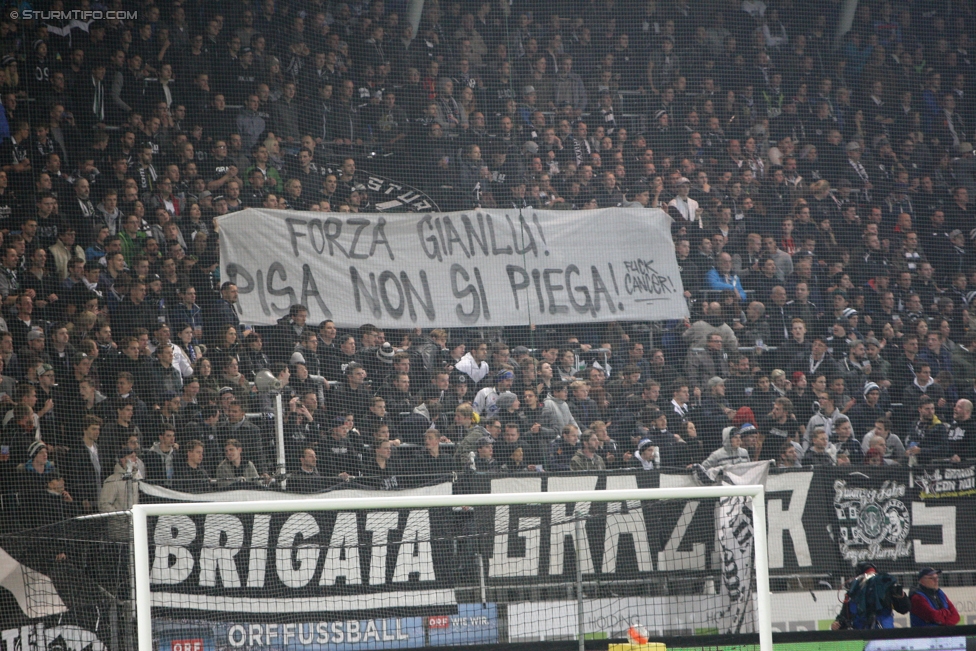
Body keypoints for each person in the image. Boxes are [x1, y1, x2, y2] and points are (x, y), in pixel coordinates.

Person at [832, 562, 910, 629]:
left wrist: (901, 595)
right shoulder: (852, 594)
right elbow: (844, 616)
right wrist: (837, 623)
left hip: (884, 636)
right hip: (860, 637)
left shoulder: (884, 589)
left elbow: (904, 608)